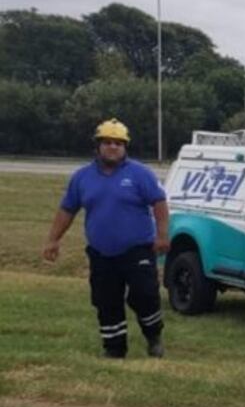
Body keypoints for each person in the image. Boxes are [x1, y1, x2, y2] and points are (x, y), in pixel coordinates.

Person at [42, 119, 170, 359]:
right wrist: (53, 240)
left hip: (137, 249)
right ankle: (114, 349)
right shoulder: (82, 177)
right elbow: (67, 210)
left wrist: (163, 236)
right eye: (108, 143)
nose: (113, 147)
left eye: (119, 143)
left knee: (144, 294)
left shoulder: (140, 173)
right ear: (98, 146)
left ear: (125, 147)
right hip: (101, 253)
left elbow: (159, 204)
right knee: (106, 301)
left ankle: (154, 337)